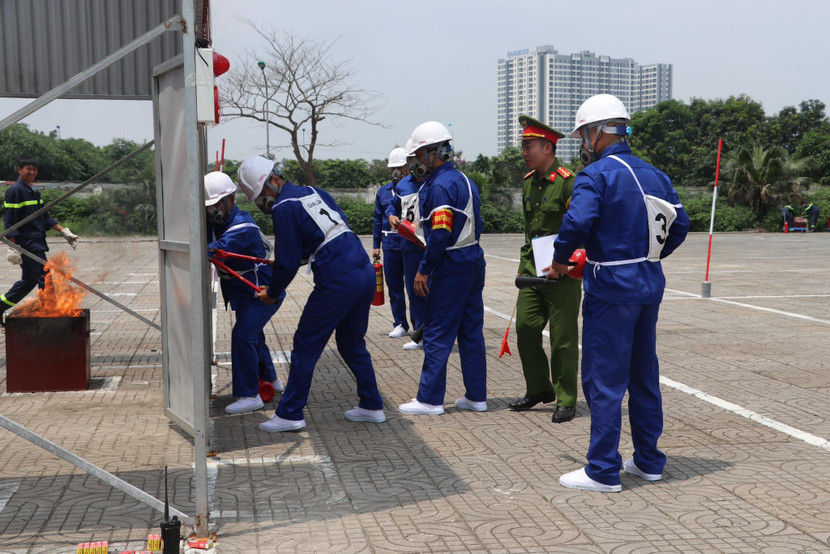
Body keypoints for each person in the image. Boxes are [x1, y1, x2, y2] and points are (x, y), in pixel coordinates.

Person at [545, 94, 689, 492]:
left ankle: (603, 469)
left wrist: (560, 260)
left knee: (604, 380)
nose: (582, 142)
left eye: (583, 134)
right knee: (643, 375)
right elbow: (679, 225)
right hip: (648, 284)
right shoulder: (656, 175)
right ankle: (648, 460)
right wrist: (648, 255)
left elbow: (577, 221)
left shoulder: (597, 175)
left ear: (596, 132)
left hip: (611, 289)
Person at [237, 156, 385, 432]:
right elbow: (324, 235)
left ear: (274, 181)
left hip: (337, 280)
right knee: (351, 343)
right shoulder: (315, 192)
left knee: (305, 343)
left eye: (260, 197)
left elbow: (288, 262)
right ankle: (372, 405)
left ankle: (291, 413)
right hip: (362, 271)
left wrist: (273, 291)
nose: (262, 204)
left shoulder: (283, 207)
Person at [397, 121, 487, 415]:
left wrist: (424, 269)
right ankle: (476, 397)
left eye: (418, 155)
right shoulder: (464, 180)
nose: (415, 163)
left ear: (433, 153)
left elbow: (440, 234)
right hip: (473, 259)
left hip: (451, 264)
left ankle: (430, 399)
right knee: (471, 332)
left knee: (436, 330)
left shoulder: (439, 186)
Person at [509, 116, 581, 423]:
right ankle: (539, 389)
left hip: (562, 272)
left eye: (529, 146)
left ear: (548, 148)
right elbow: (530, 232)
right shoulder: (528, 183)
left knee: (563, 338)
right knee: (525, 327)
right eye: (522, 146)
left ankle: (565, 398)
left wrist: (565, 264)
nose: (524, 152)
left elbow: (580, 228)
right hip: (532, 270)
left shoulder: (567, 182)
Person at [204, 171, 285, 415]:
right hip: (244, 294)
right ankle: (273, 380)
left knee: (242, 336)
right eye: (208, 207)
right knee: (253, 335)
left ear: (230, 199)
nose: (212, 211)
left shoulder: (243, 226)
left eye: (216, 205)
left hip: (262, 294)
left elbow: (212, 250)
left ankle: (250, 395)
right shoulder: (220, 222)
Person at [1, 157, 78, 325]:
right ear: (19, 169)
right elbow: (10, 221)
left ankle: (0, 306)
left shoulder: (33, 191)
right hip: (27, 245)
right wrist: (12, 246)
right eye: (28, 169)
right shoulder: (15, 191)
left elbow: (44, 217)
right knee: (45, 276)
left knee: (29, 281)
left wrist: (64, 231)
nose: (32, 173)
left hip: (37, 242)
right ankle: (51, 312)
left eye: (35, 169)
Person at [388, 138, 427, 351]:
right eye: (410, 159)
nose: (413, 163)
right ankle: (419, 333)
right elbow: (392, 207)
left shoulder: (431, 182)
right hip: (410, 246)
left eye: (415, 158)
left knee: (433, 290)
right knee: (415, 291)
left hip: (430, 245)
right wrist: (391, 216)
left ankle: (435, 333)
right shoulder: (403, 185)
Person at [373, 147, 409, 338]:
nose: (396, 172)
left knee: (413, 287)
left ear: (408, 167)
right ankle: (400, 323)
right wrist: (375, 246)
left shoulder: (413, 188)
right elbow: (377, 219)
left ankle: (421, 325)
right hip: (390, 245)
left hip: (410, 245)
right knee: (395, 287)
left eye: (400, 167)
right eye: (392, 168)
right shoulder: (383, 192)